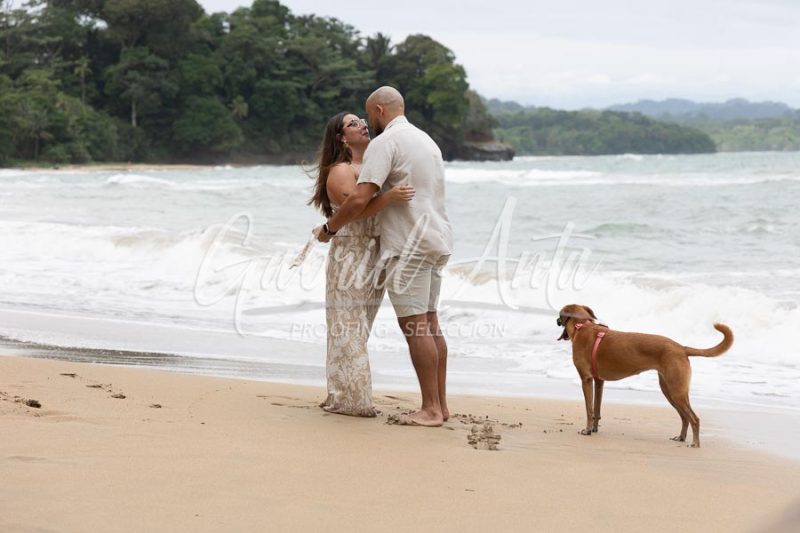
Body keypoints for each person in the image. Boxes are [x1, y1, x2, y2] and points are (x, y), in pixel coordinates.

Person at [316, 87, 454, 427]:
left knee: (415, 326)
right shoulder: (426, 141)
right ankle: (441, 405)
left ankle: (431, 410)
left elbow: (359, 200)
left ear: (379, 110)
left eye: (367, 116)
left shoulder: (386, 143)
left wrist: (328, 230)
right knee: (430, 324)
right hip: (437, 237)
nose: (366, 124)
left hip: (408, 245)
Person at [309, 111, 415, 417]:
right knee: (347, 328)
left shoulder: (372, 166)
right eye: (353, 124)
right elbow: (356, 208)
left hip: (375, 254)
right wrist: (391, 197)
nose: (362, 125)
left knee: (360, 326)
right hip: (350, 255)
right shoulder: (340, 170)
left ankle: (348, 393)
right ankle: (351, 399)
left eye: (361, 120)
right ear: (341, 137)